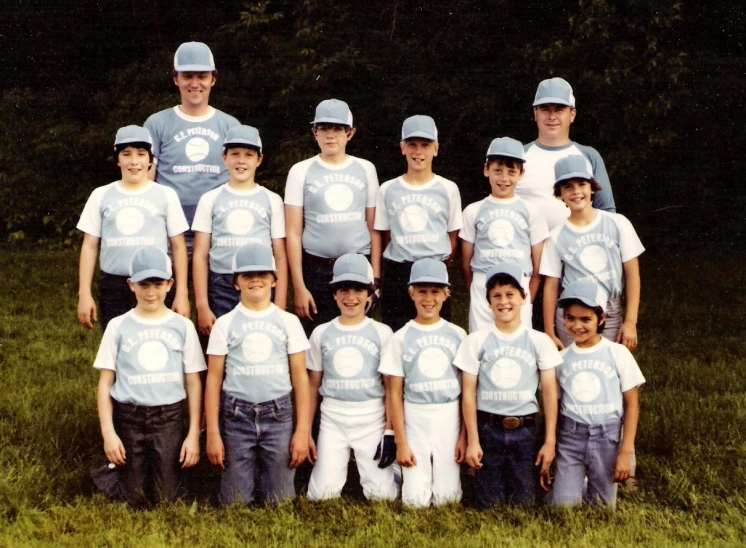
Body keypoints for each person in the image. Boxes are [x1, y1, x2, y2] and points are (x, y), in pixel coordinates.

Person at [94, 247, 205, 507]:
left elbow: (193, 383)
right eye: (143, 284)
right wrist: (109, 433)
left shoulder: (182, 326)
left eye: (157, 283)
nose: (151, 292)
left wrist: (192, 435)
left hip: (168, 418)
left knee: (167, 498)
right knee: (134, 499)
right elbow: (105, 383)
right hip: (129, 417)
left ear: (170, 284)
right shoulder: (118, 325)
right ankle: (112, 469)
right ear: (130, 285)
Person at [204, 243, 310, 505]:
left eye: (263, 274)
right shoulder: (225, 324)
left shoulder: (288, 322)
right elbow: (214, 379)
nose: (256, 280)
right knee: (234, 504)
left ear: (274, 280)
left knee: (280, 503)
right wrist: (213, 433)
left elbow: (299, 378)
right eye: (247, 275)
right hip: (236, 415)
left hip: (278, 415)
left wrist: (302, 431)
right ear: (236, 283)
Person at [455, 262, 560, 508]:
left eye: (510, 294)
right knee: (487, 505)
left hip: (525, 430)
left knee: (523, 504)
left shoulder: (539, 341)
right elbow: (468, 393)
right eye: (497, 296)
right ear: (488, 302)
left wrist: (549, 441)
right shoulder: (476, 341)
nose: (504, 302)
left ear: (524, 297)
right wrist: (473, 440)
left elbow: (549, 393)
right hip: (488, 428)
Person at [77, 125, 190, 331]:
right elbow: (90, 246)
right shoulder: (101, 195)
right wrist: (84, 293)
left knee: (157, 343)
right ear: (117, 159)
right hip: (114, 285)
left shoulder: (165, 195)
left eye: (141, 154)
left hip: (156, 285)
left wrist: (181, 293)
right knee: (118, 345)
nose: (134, 161)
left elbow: (178, 246)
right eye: (126, 154)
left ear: (150, 159)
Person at [306, 254, 398, 501]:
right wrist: (305, 430)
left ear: (369, 294)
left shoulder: (382, 333)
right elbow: (313, 384)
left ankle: (394, 471)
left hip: (371, 417)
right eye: (343, 290)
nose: (350, 297)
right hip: (333, 417)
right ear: (334, 294)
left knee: (383, 497)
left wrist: (390, 432)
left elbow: (391, 388)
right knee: (321, 496)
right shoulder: (321, 333)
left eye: (358, 289)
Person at [284, 99, 380, 334]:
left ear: (350, 132)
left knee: (357, 334)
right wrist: (299, 287)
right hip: (317, 268)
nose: (330, 135)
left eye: (337, 129)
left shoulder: (365, 168)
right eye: (324, 129)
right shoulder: (300, 171)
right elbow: (293, 233)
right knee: (317, 337)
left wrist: (375, 279)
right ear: (314, 132)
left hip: (358, 266)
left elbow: (373, 227)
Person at [378, 259, 467, 507]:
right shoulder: (400, 337)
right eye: (422, 291)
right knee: (415, 502)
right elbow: (394, 393)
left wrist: (464, 436)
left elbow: (466, 390)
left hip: (448, 414)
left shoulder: (458, 335)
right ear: (411, 293)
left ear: (447, 294)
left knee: (448, 500)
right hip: (415, 414)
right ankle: (400, 473)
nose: (429, 298)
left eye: (436, 291)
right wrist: (401, 443)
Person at [550, 280, 644, 507]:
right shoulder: (561, 359)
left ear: (602, 319)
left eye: (586, 319)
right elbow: (555, 406)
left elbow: (631, 405)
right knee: (563, 508)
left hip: (607, 437)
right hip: (571, 437)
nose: (576, 326)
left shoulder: (616, 353)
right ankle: (569, 483)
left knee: (602, 509)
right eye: (570, 318)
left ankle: (587, 482)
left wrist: (625, 452)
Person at [144, 41, 240, 257]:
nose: (195, 83)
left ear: (213, 79)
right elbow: (146, 182)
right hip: (170, 231)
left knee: (217, 290)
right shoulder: (157, 123)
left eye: (202, 76)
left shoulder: (231, 125)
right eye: (187, 76)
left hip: (217, 231)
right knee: (167, 290)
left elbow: (241, 180)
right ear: (175, 78)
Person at [540, 155, 644, 350]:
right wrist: (549, 332)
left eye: (582, 184)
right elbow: (551, 286)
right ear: (560, 194)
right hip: (572, 314)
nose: (576, 192)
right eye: (568, 187)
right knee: (571, 369)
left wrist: (630, 322)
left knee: (608, 367)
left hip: (609, 311)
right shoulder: (556, 235)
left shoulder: (617, 223)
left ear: (592, 188)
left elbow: (632, 275)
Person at [192, 125, 287, 337]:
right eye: (234, 154)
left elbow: (280, 256)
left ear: (259, 160)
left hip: (260, 281)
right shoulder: (210, 199)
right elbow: (200, 254)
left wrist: (279, 303)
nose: (241, 161)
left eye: (248, 155)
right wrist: (202, 306)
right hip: (221, 283)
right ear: (224, 157)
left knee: (259, 337)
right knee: (223, 342)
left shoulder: (272, 200)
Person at [374, 116, 463, 332]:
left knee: (437, 333)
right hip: (399, 272)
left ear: (436, 148)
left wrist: (439, 264)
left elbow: (452, 236)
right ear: (402, 147)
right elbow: (385, 235)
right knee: (396, 334)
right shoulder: (388, 189)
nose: (418, 151)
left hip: (434, 269)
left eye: (425, 145)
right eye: (412, 145)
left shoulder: (448, 188)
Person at [460, 137, 548, 333]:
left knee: (518, 343)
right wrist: (477, 293)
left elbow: (537, 268)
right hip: (483, 284)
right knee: (481, 344)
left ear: (521, 173)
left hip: (519, 286)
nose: (504, 178)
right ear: (486, 170)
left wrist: (528, 299)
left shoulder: (531, 211)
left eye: (511, 172)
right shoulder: (473, 211)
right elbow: (465, 264)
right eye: (497, 170)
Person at [516, 77, 616, 232]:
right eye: (545, 109)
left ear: (572, 114)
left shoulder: (589, 156)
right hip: (527, 251)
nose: (552, 116)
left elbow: (606, 211)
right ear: (535, 113)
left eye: (559, 109)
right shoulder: (517, 155)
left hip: (578, 251)